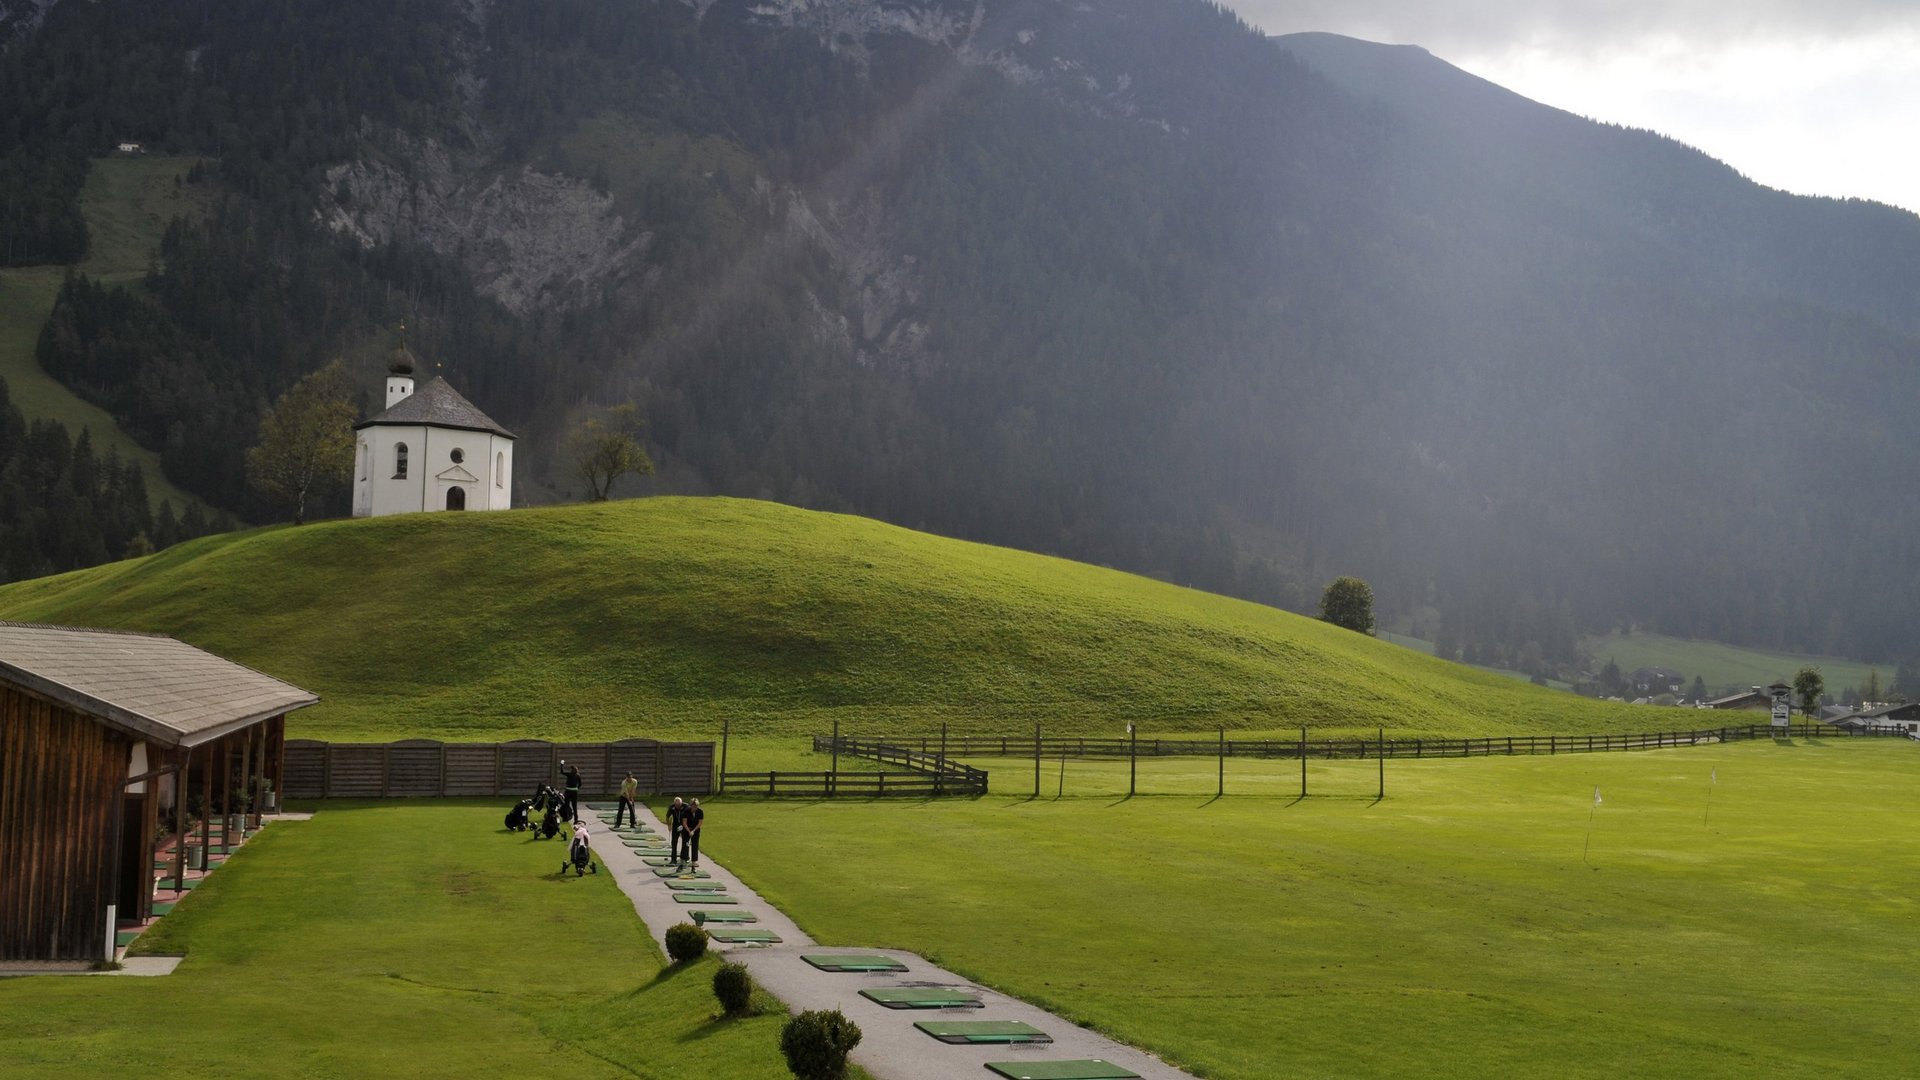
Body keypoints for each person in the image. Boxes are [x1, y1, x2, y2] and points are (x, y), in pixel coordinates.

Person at [682, 797, 704, 869]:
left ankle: (694, 861)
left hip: (696, 830)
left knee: (695, 845)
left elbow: (700, 823)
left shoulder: (700, 811)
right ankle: (685, 860)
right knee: (686, 844)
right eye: (693, 806)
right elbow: (684, 822)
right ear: (691, 805)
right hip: (687, 829)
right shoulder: (686, 811)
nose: (695, 807)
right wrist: (689, 831)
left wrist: (693, 831)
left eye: (696, 806)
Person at [666, 796, 686, 862]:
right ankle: (673, 859)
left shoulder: (686, 806)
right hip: (675, 825)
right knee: (674, 842)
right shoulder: (672, 807)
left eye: (679, 804)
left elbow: (689, 816)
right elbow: (667, 816)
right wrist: (669, 825)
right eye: (677, 805)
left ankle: (684, 858)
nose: (678, 806)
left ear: (681, 803)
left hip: (684, 825)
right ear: (674, 804)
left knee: (685, 841)